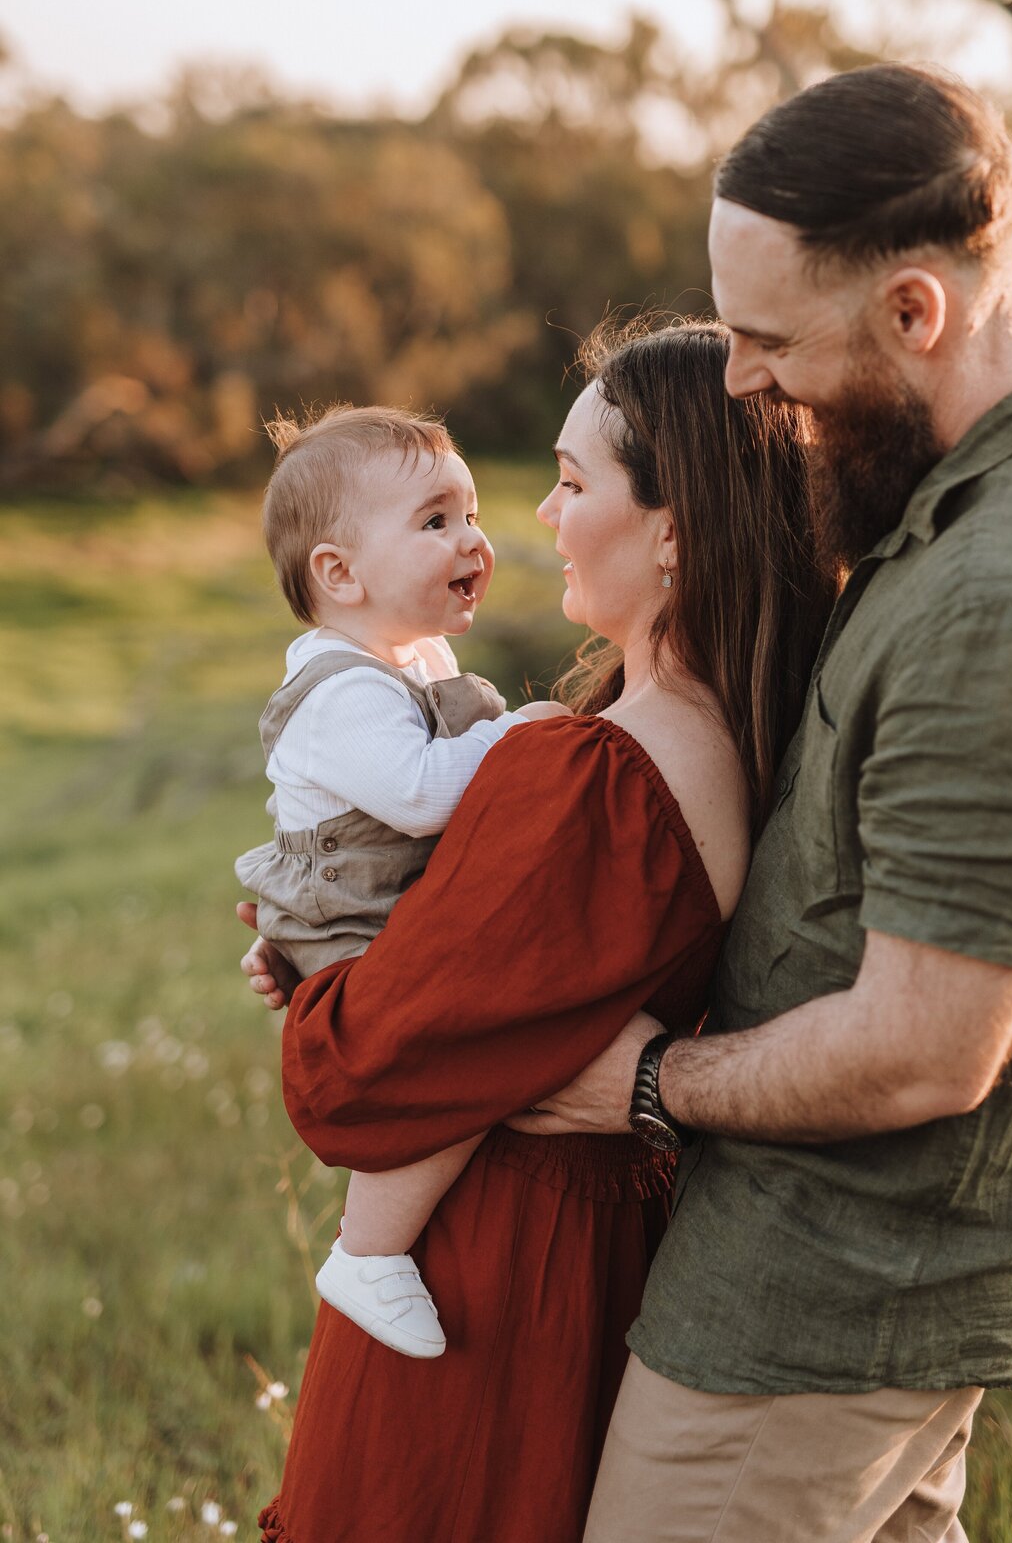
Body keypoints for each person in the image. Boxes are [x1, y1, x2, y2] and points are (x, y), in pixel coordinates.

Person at [514, 65, 1012, 1543]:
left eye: (768, 341)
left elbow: (919, 1054)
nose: (744, 381)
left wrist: (642, 1085)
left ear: (913, 313)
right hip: (864, 1270)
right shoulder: (997, 471)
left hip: (830, 1289)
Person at [241, 323, 837, 1543]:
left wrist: (321, 992)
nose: (537, 520)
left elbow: (350, 1083)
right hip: (590, 1242)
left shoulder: (591, 778)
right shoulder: (718, 733)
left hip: (491, 1281)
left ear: (675, 532)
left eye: (572, 485)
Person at [235, 404, 568, 1359]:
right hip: (353, 923)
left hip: (367, 906)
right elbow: (424, 799)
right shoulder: (339, 691)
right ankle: (367, 1250)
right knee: (456, 1055)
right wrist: (525, 728)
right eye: (435, 522)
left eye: (470, 514)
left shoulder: (416, 659)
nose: (473, 539)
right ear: (339, 574)